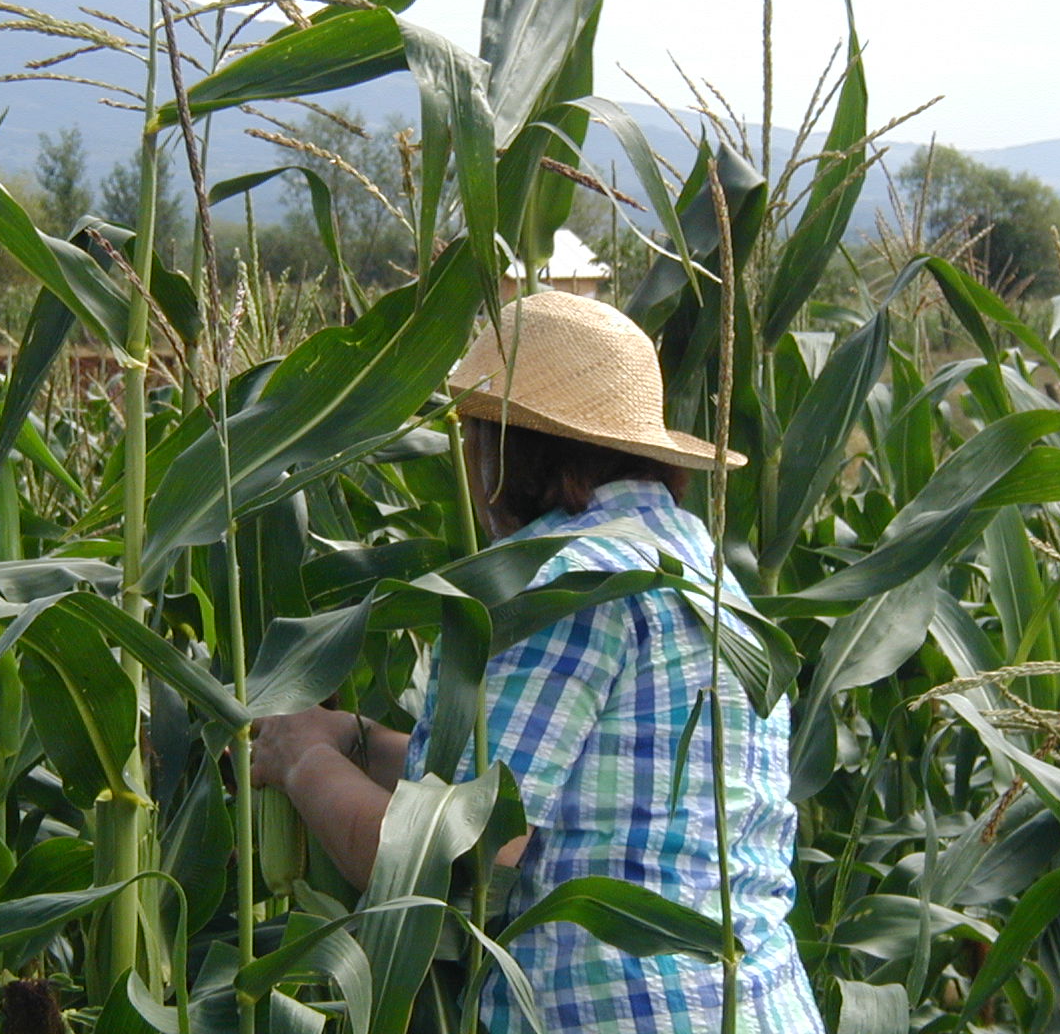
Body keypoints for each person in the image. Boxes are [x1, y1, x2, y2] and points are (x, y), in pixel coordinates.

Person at [250, 291, 821, 1033]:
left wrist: (302, 762)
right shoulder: (696, 562)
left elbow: (442, 859)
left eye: (474, 436)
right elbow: (574, 791)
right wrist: (352, 741)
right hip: (758, 1002)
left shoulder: (564, 581)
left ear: (504, 450)